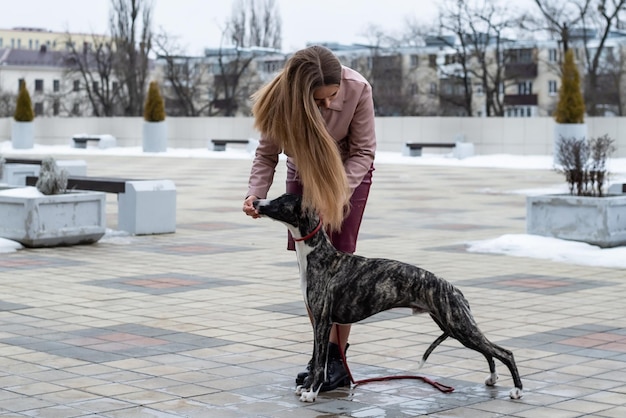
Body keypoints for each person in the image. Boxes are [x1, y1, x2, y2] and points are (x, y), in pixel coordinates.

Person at [242, 45, 376, 392]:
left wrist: (333, 193)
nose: (328, 106)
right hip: (301, 176)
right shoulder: (280, 100)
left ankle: (337, 359)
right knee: (312, 270)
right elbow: (266, 154)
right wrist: (255, 194)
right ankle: (321, 354)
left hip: (348, 177)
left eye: (332, 98)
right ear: (300, 94)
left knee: (341, 267)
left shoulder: (359, 88)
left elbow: (363, 152)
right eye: (318, 102)